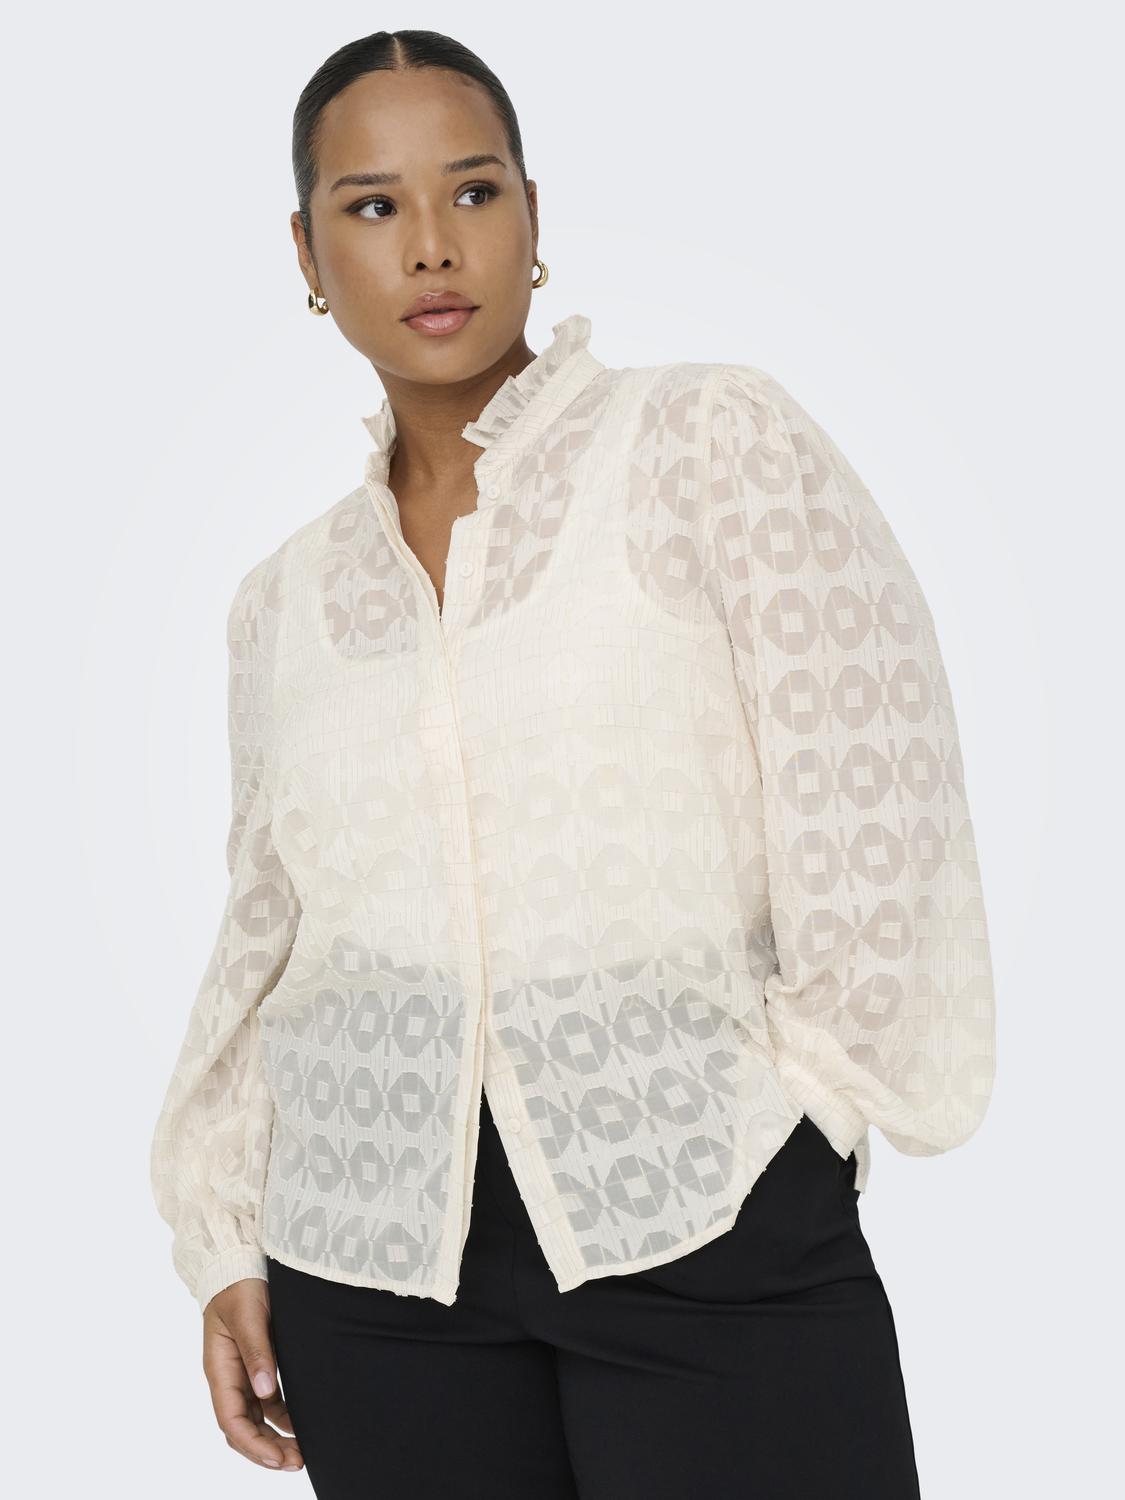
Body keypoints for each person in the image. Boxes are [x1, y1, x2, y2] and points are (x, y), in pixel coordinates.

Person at [149, 27, 996, 1500]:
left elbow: (876, 791)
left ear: (532, 215)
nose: (431, 246)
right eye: (372, 206)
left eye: (472, 192)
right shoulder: (285, 600)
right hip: (370, 1266)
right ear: (306, 252)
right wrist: (224, 1234)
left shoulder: (703, 446)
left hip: (701, 1213)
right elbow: (268, 934)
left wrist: (800, 1120)